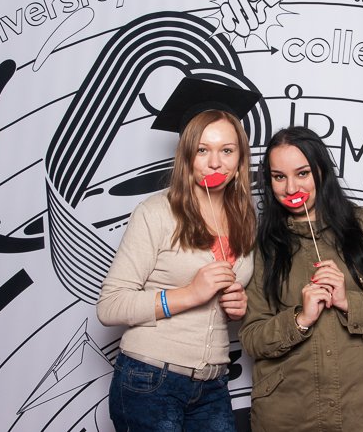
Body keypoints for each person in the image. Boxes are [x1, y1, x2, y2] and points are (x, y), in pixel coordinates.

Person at [97, 77, 261, 431]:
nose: (215, 163)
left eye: (227, 151)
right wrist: (189, 294)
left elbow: (223, 309)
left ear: (240, 159)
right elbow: (109, 307)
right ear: (187, 156)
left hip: (213, 383)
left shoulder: (246, 219)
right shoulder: (156, 212)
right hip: (150, 378)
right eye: (203, 150)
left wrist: (239, 306)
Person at [239, 126, 363, 432]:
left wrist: (349, 302)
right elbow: (252, 338)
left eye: (302, 173)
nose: (291, 187)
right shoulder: (262, 247)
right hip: (288, 417)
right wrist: (299, 320)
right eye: (279, 177)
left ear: (321, 170)